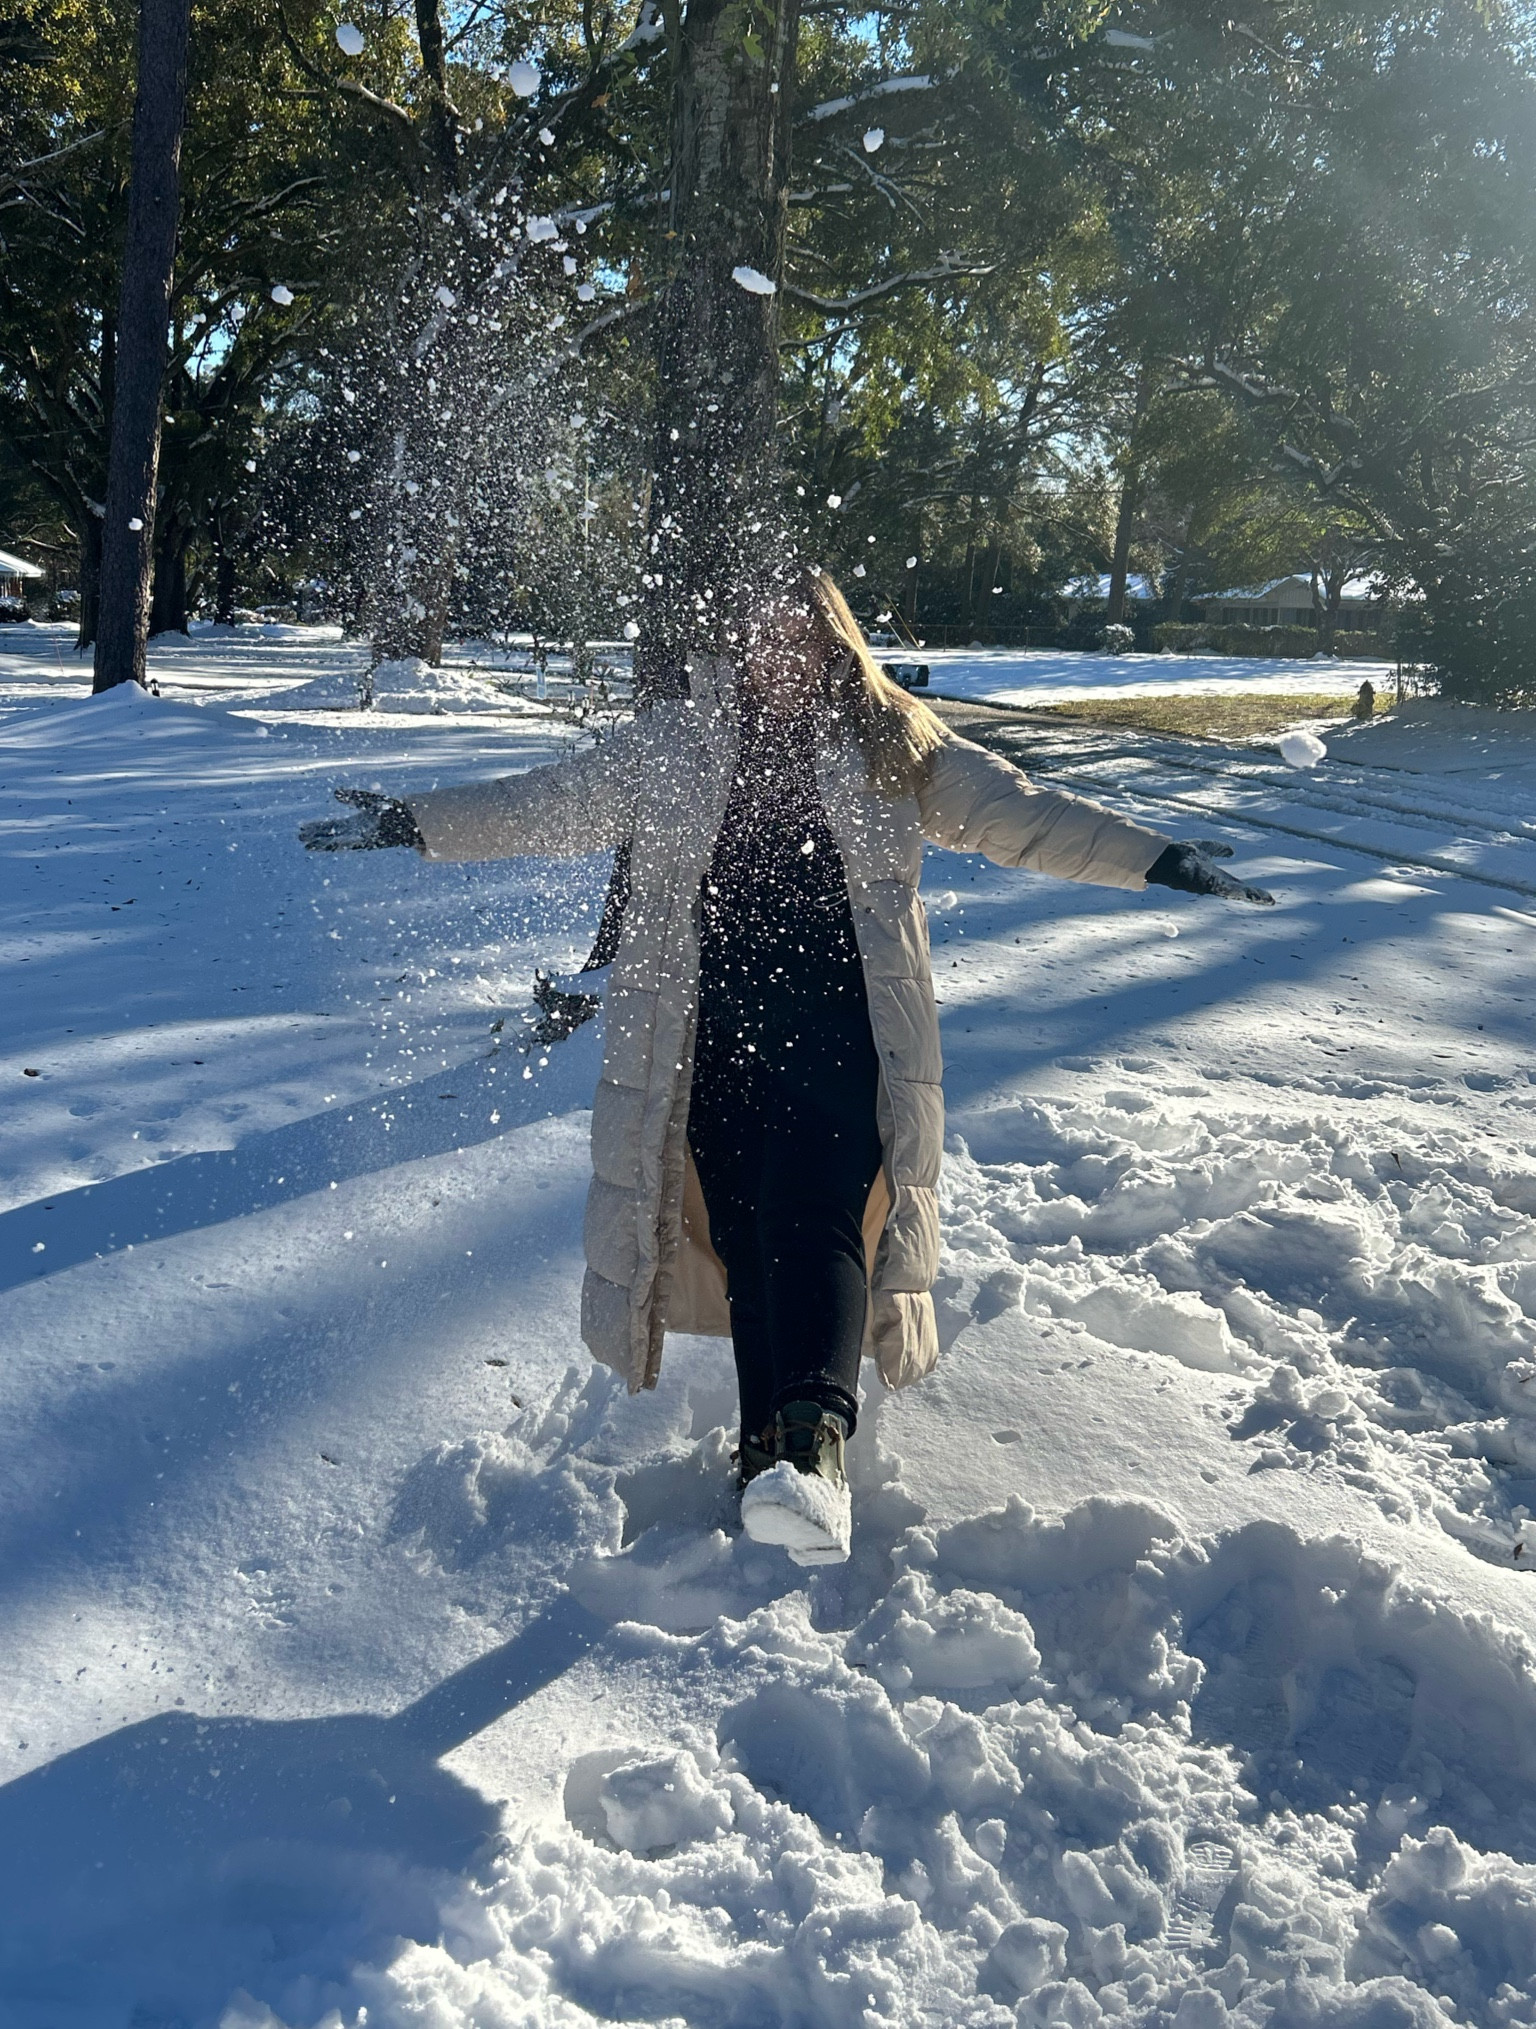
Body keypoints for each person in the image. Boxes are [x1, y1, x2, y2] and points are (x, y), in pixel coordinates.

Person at [301, 567, 1273, 1566]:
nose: (781, 655)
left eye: (802, 637)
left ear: (835, 645)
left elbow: (1018, 813)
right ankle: (767, 1447)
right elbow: (551, 803)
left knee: (812, 1216)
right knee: (745, 1231)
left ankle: (814, 1450)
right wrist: (417, 822)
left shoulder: (893, 743)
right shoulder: (677, 745)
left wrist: (1158, 857)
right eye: (763, 635)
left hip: (840, 1032)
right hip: (711, 1041)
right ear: (739, 644)